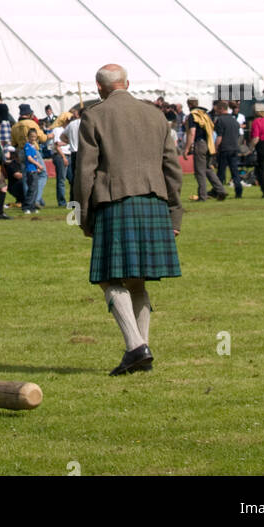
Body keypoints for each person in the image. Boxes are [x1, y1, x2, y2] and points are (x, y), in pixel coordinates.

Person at [73, 64, 182, 376]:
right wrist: (174, 213)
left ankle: (136, 346)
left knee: (108, 278)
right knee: (138, 281)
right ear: (128, 83)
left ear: (99, 87)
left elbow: (85, 172)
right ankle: (141, 351)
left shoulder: (94, 115)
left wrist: (83, 215)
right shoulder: (155, 114)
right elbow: (172, 168)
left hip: (114, 202)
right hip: (154, 202)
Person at [182, 100, 227, 201]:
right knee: (208, 169)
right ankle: (221, 190)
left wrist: (187, 148)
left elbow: (192, 132)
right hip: (209, 143)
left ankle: (202, 196)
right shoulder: (205, 115)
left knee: (200, 171)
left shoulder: (193, 116)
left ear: (189, 105)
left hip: (200, 144)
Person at [213, 100, 243, 198]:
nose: (216, 112)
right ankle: (238, 191)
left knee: (221, 171)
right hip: (234, 148)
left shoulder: (220, 120)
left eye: (217, 110)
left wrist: (215, 148)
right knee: (235, 171)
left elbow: (219, 137)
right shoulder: (234, 119)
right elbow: (238, 135)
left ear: (221, 109)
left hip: (224, 148)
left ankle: (219, 191)